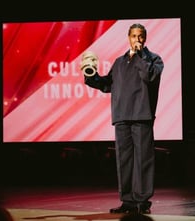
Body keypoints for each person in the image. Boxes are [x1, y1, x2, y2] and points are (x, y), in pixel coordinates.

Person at [81, 23, 164, 214]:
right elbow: (107, 84)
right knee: (124, 160)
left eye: (141, 36)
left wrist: (140, 56)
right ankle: (127, 201)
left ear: (145, 38)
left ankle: (142, 201)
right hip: (121, 116)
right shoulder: (119, 62)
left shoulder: (154, 59)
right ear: (128, 37)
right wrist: (90, 74)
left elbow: (149, 76)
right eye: (134, 36)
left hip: (142, 116)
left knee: (143, 160)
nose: (138, 40)